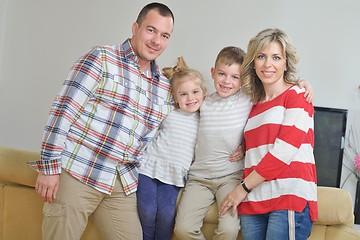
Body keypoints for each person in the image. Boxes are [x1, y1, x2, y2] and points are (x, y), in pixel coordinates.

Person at [27, 3, 174, 240]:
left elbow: (178, 129)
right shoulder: (102, 58)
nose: (156, 40)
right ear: (135, 28)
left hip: (120, 182)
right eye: (151, 30)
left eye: (164, 35)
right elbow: (63, 110)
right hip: (79, 170)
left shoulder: (164, 86)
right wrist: (49, 168)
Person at [220, 28, 318, 240]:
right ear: (253, 62)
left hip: (288, 197)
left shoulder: (298, 96)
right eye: (261, 56)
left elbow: (283, 151)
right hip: (254, 201)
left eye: (276, 57)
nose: (268, 64)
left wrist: (242, 188)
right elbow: (260, 145)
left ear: (286, 63)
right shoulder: (253, 105)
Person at [174, 46, 253, 240]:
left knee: (229, 230)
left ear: (242, 80)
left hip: (230, 177)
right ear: (212, 73)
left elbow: (276, 92)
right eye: (222, 74)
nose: (227, 81)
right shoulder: (203, 102)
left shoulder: (247, 100)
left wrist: (246, 146)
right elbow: (181, 92)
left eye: (235, 77)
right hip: (199, 178)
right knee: (182, 229)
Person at [137, 57, 207, 240]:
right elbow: (150, 132)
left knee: (167, 215)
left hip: (175, 174)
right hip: (149, 166)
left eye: (194, 92)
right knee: (146, 210)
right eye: (183, 94)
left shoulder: (205, 119)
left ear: (203, 92)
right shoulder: (169, 113)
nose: (190, 98)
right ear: (175, 97)